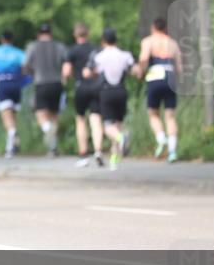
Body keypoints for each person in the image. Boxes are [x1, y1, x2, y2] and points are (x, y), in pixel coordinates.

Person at [84, 28, 137, 171]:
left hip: (107, 92)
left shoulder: (100, 56)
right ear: (116, 40)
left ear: (103, 41)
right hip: (121, 91)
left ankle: (121, 138)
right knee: (117, 125)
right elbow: (136, 71)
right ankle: (114, 160)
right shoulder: (125, 55)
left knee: (108, 127)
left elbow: (87, 72)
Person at [137, 17, 183, 163]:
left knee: (153, 113)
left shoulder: (148, 41)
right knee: (170, 116)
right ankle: (172, 151)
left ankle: (161, 138)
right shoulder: (173, 43)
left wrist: (141, 72)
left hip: (155, 76)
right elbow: (179, 68)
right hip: (170, 76)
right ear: (165, 28)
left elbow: (144, 58)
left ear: (153, 27)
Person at [23, 23, 68, 157]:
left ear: (39, 34)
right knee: (54, 115)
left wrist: (32, 73)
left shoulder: (33, 46)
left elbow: (25, 66)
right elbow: (66, 63)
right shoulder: (60, 46)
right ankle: (53, 147)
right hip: (57, 83)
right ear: (51, 33)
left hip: (41, 83)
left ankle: (49, 135)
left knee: (40, 115)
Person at [63, 23, 104, 167]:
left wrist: (72, 75)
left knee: (80, 120)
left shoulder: (72, 51)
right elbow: (100, 69)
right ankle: (98, 151)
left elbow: (66, 71)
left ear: (75, 35)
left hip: (80, 87)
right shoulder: (96, 49)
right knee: (96, 118)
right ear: (88, 34)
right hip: (95, 87)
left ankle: (83, 154)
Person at [0, 31, 26, 158]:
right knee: (13, 114)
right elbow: (25, 68)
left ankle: (10, 144)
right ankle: (14, 142)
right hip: (16, 83)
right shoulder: (19, 52)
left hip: (2, 83)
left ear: (1, 40)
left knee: (6, 115)